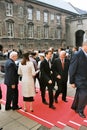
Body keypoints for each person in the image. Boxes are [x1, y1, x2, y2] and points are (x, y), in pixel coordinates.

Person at [69, 40, 87, 118]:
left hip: (85, 79)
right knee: (84, 95)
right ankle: (80, 110)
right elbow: (72, 69)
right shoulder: (77, 54)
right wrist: (72, 82)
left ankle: (74, 106)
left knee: (79, 94)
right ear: (85, 45)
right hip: (80, 80)